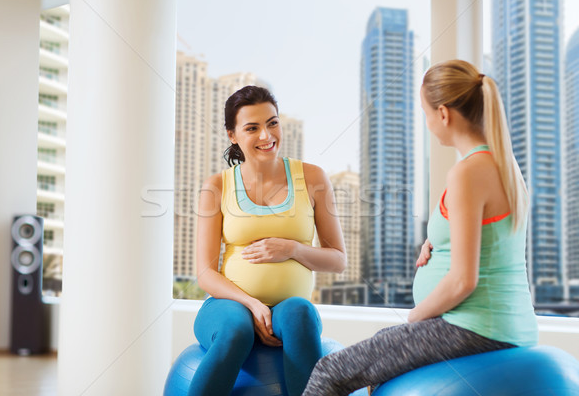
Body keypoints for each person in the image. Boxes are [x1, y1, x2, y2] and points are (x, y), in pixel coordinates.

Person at [302, 59, 539, 395]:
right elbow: (490, 241)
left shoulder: (468, 172)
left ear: (443, 114)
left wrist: (416, 316)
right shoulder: (504, 165)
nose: (427, 123)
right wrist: (437, 242)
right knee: (382, 347)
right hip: (504, 323)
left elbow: (463, 281)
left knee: (330, 371)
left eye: (426, 113)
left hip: (474, 327)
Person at [190, 85, 347, 396]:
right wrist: (251, 304)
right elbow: (205, 273)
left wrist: (292, 249)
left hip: (289, 306)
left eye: (272, 123)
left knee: (300, 314)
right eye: (252, 128)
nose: (266, 135)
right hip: (229, 306)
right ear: (232, 135)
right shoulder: (217, 186)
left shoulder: (313, 178)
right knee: (237, 331)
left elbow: (337, 259)